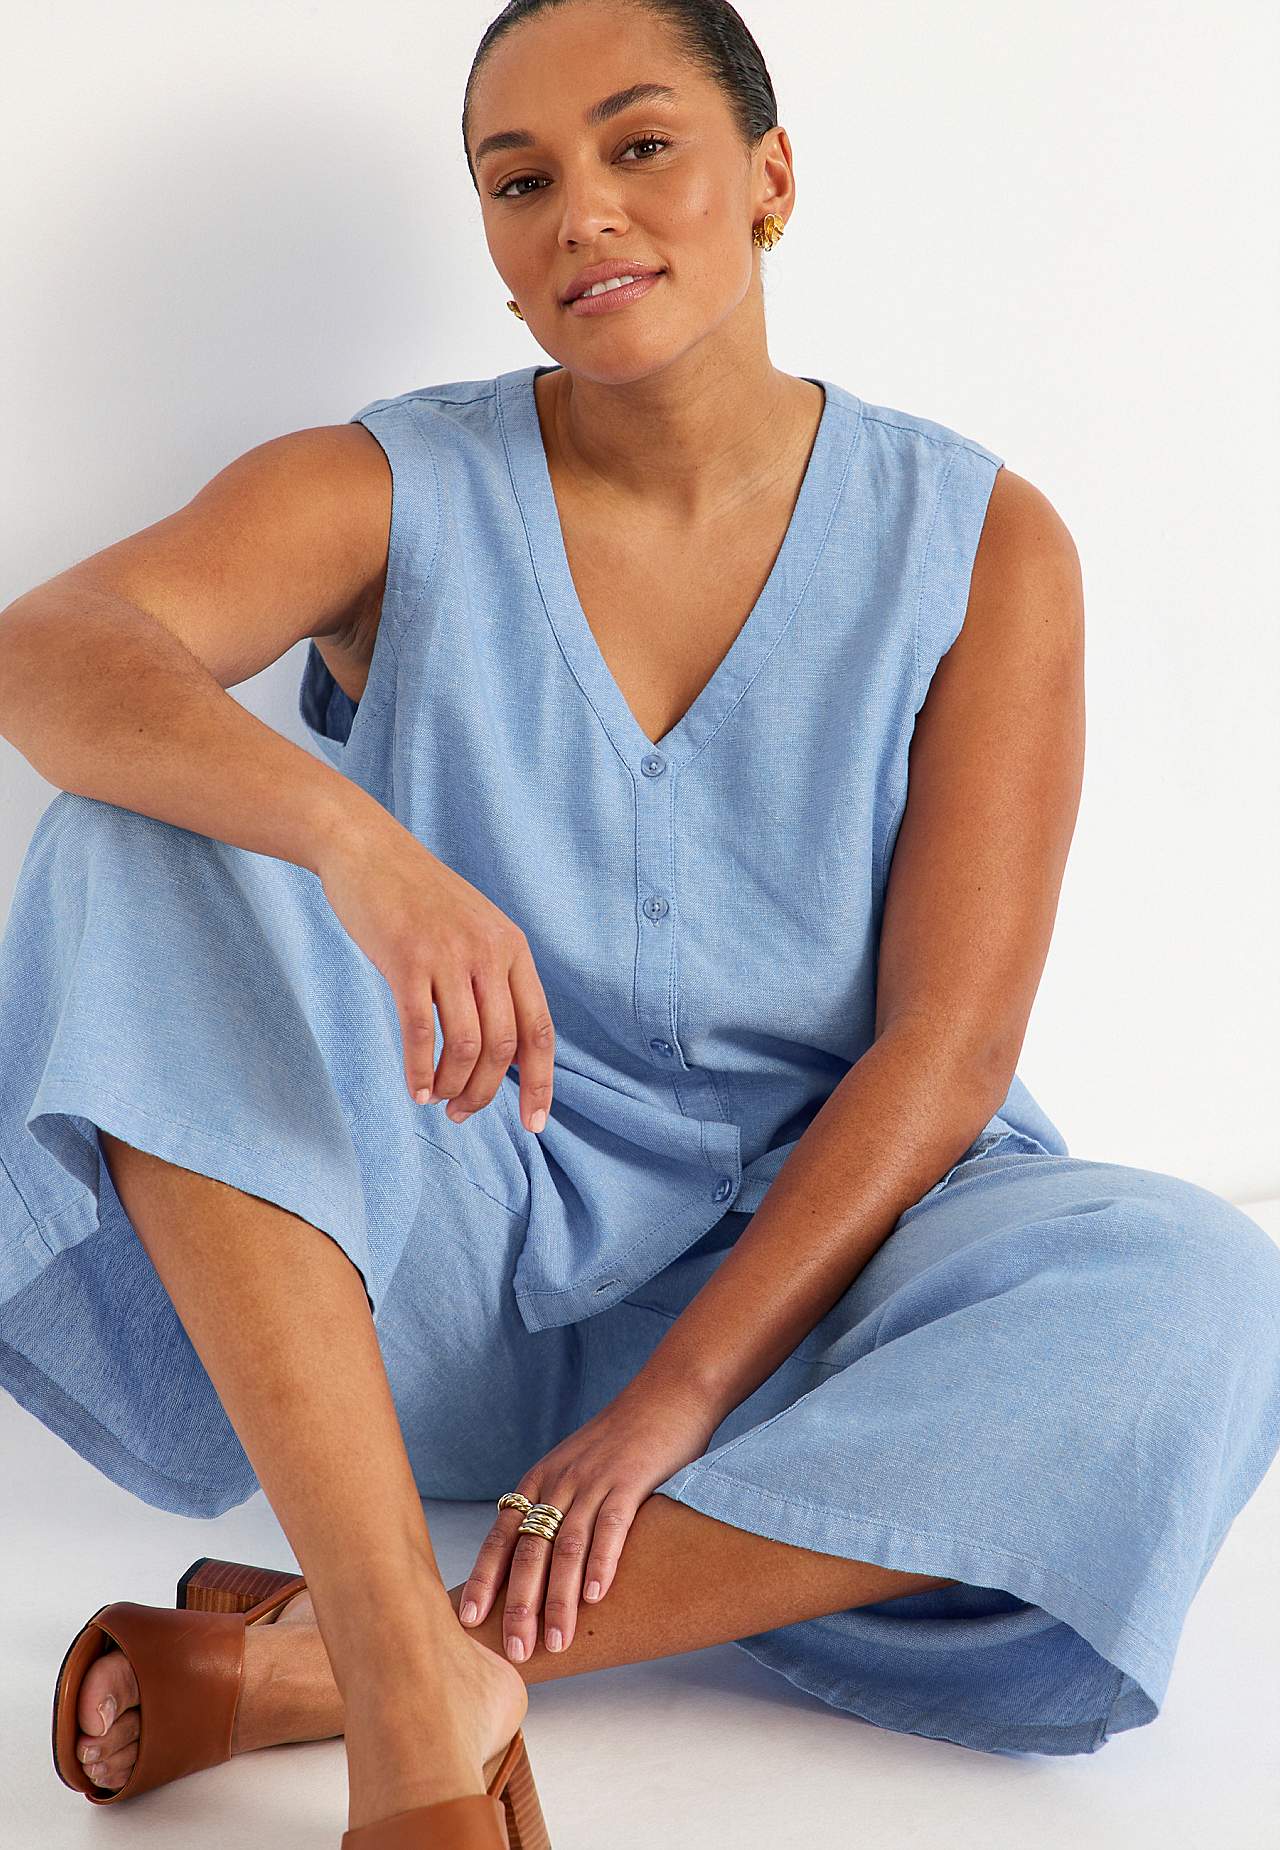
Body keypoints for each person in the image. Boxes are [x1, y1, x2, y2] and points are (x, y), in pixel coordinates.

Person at [3, 1, 1279, 1844]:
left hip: (839, 1291)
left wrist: (674, 1401)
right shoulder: (389, 489)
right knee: (124, 838)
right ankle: (410, 1694)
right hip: (448, 1266)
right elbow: (51, 650)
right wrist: (362, 844)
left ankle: (362, 1658)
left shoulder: (982, 542)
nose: (581, 211)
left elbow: (948, 1054)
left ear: (771, 178)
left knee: (1204, 1285)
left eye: (641, 145)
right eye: (517, 182)